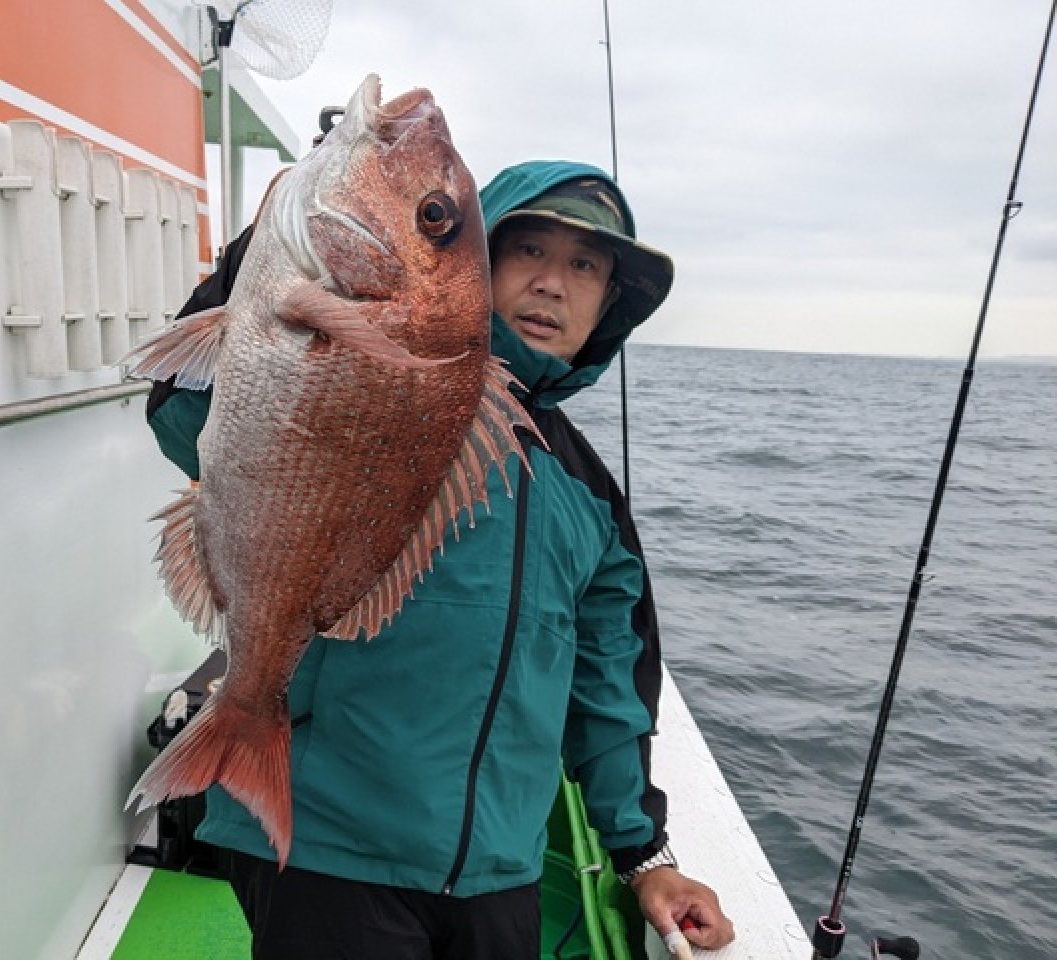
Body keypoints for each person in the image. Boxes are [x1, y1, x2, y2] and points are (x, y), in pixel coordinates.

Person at [145, 159, 736, 958]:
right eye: (529, 251)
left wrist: (642, 856)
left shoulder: (592, 493)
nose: (554, 286)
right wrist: (280, 246)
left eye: (586, 266)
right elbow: (182, 412)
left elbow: (607, 684)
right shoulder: (371, 376)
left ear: (609, 304)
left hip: (501, 872)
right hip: (328, 849)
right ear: (472, 262)